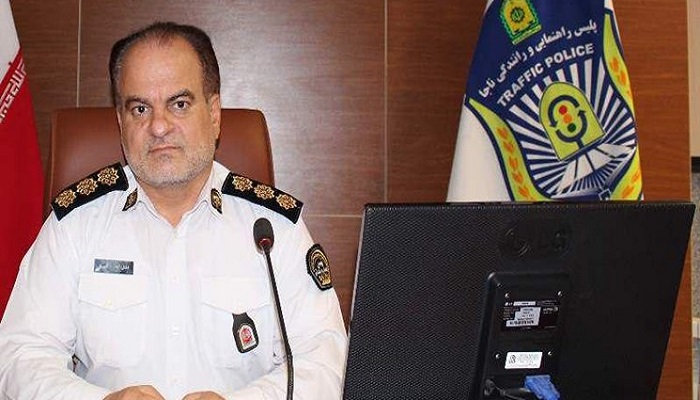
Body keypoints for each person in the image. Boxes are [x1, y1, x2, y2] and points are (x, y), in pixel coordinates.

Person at [0, 22, 347, 400]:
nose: (159, 126)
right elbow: (19, 356)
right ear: (120, 122)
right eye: (140, 108)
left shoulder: (273, 229)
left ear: (214, 114)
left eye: (179, 104)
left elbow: (324, 362)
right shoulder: (75, 225)